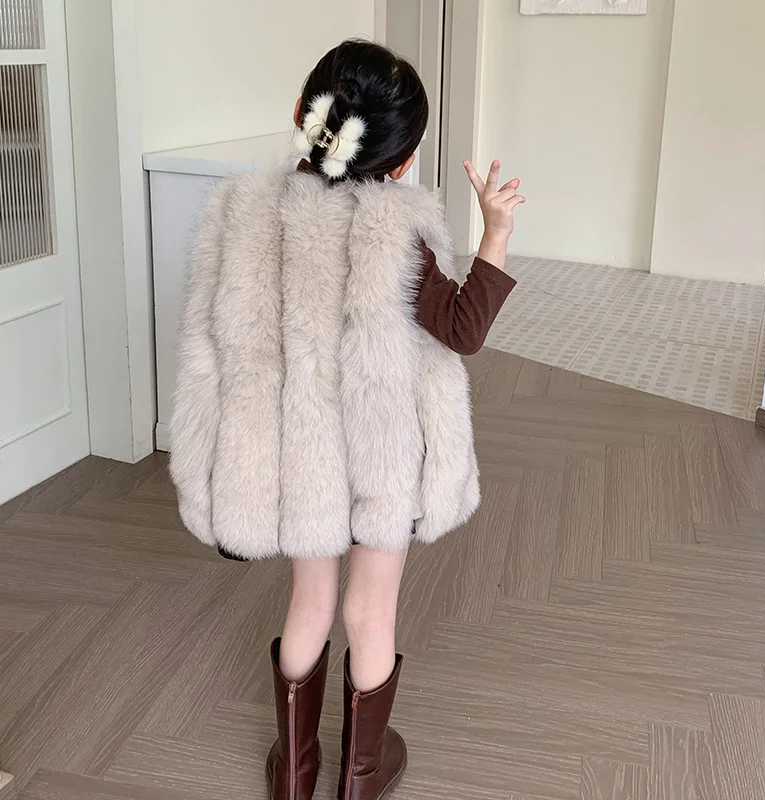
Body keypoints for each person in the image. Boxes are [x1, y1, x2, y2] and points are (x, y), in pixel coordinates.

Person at [170, 39, 524, 800]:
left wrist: (214, 465)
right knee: (371, 611)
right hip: (381, 454)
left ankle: (295, 777)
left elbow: (210, 350)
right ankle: (361, 778)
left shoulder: (241, 215)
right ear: (402, 161)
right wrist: (495, 231)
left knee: (312, 604)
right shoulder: (397, 234)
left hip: (298, 456)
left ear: (303, 113)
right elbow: (461, 331)